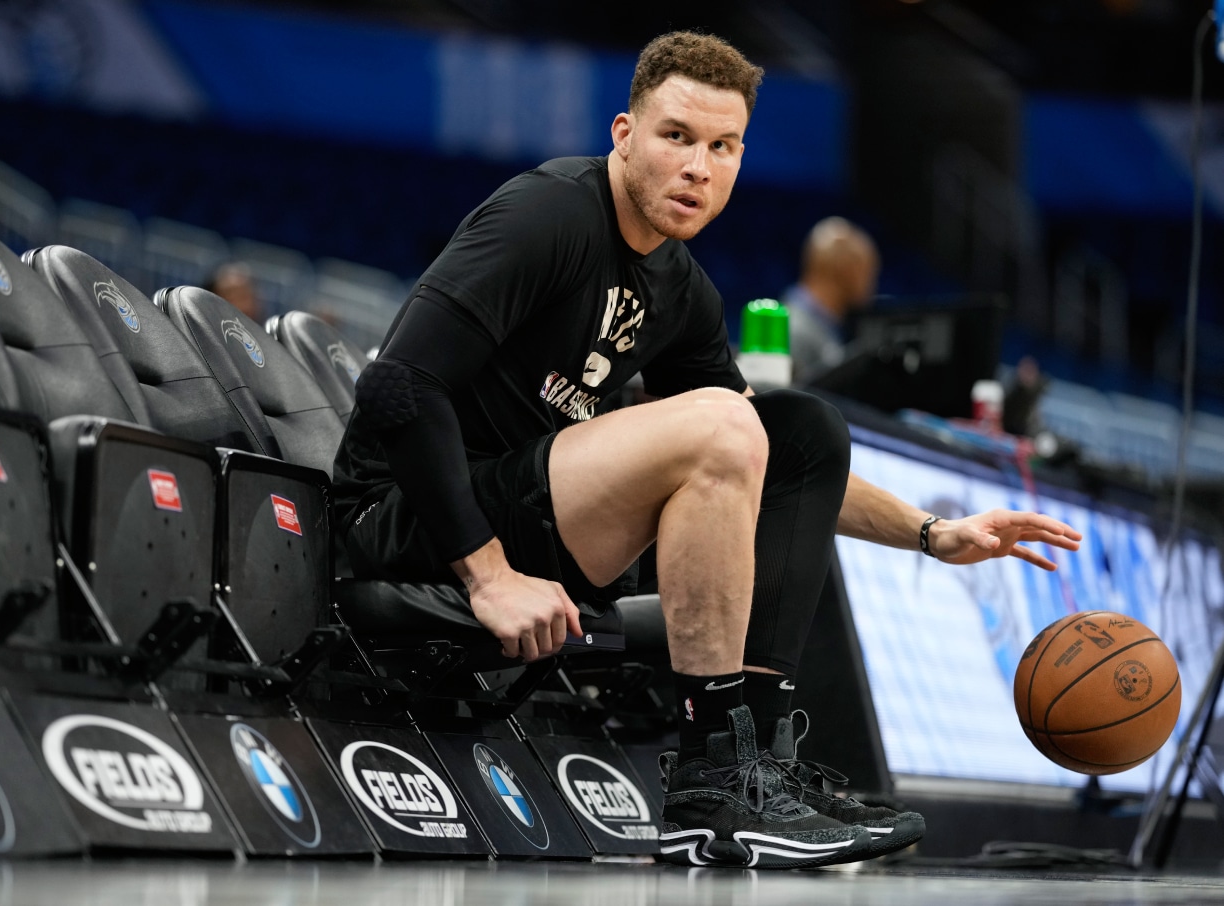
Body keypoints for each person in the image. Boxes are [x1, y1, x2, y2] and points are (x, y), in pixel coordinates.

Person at [333, 31, 1082, 870]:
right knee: (729, 423)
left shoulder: (679, 287)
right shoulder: (548, 214)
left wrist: (930, 534)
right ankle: (712, 780)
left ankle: (751, 758)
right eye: (676, 137)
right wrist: (488, 574)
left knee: (801, 431)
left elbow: (770, 452)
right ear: (624, 134)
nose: (699, 167)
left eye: (722, 147)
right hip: (409, 519)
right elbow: (396, 387)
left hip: (536, 514)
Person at [780, 216, 880, 382]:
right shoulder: (794, 331)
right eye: (869, 273)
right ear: (848, 272)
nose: (872, 285)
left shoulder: (822, 325)